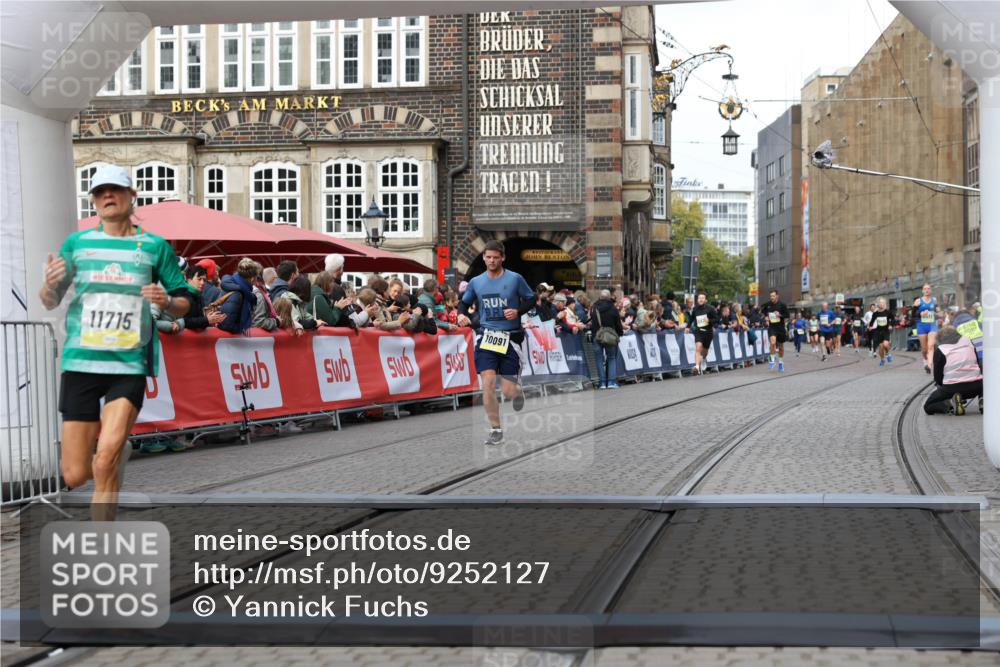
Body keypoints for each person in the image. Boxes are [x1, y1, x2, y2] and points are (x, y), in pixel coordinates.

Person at [39, 164, 192, 519]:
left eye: (115, 190)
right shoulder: (77, 243)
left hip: (127, 364)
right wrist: (49, 284)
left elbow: (185, 300)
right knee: (75, 474)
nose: (107, 196)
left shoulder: (154, 247)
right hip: (81, 362)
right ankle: (115, 450)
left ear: (131, 195)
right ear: (93, 201)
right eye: (99, 192)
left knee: (105, 460)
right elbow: (50, 300)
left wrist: (167, 300)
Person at [457, 241, 535, 445]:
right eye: (488, 257)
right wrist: (460, 316)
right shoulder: (476, 282)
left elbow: (531, 299)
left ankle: (517, 393)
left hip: (510, 338)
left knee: (508, 391)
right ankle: (495, 429)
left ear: (503, 258)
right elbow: (464, 303)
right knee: (488, 383)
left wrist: (518, 311)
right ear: (483, 257)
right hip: (487, 337)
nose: (491, 261)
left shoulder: (515, 279)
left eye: (495, 257)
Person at [923, 326, 983, 415]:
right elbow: (978, 364)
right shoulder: (969, 343)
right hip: (976, 386)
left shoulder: (941, 350)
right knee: (985, 386)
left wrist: (942, 388)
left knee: (928, 406)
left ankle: (950, 406)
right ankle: (983, 400)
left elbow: (938, 377)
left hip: (951, 389)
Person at [217, 258, 260, 335]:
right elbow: (227, 324)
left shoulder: (235, 286)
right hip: (228, 343)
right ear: (252, 278)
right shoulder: (238, 293)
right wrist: (240, 328)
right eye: (257, 277)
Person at [590, 289, 623, 389]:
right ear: (609, 297)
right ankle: (612, 382)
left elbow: (592, 321)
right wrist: (620, 333)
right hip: (610, 336)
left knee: (599, 359)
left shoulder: (594, 307)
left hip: (597, 335)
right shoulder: (613, 309)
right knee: (611, 358)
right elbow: (618, 324)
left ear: (600, 297)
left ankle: (602, 383)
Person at [759, 289, 790, 371]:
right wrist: (765, 316)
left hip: (780, 327)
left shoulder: (782, 305)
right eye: (770, 296)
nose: (772, 297)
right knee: (772, 342)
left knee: (780, 346)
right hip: (772, 327)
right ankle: (772, 360)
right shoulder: (768, 304)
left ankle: (780, 362)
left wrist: (779, 315)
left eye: (773, 296)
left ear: (777, 296)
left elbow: (787, 315)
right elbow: (762, 309)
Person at [690, 292, 719, 375]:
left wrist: (709, 320)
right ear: (697, 299)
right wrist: (688, 327)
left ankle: (703, 359)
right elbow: (691, 318)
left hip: (708, 332)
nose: (701, 299)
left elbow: (717, 319)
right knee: (698, 348)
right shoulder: (695, 309)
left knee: (705, 350)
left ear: (705, 300)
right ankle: (696, 367)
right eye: (699, 298)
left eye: (702, 298)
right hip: (698, 331)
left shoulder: (711, 308)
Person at [914, 283, 939, 373]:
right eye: (925, 289)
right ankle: (925, 361)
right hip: (922, 326)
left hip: (932, 325)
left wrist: (937, 314)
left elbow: (937, 312)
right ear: (922, 291)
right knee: (924, 349)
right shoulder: (918, 301)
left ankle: (929, 364)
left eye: (928, 288)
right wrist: (920, 314)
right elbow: (913, 315)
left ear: (931, 290)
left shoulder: (934, 300)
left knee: (931, 345)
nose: (927, 290)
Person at [868, 297, 893, 366]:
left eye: (883, 303)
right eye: (880, 303)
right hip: (879, 331)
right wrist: (870, 326)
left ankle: (888, 354)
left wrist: (890, 325)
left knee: (885, 344)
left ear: (885, 304)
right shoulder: (876, 313)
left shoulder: (888, 312)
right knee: (881, 347)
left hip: (886, 331)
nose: (881, 304)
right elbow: (872, 321)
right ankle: (882, 359)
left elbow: (892, 319)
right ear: (878, 304)